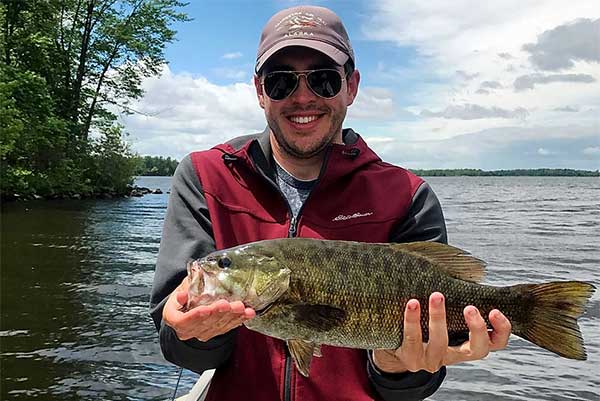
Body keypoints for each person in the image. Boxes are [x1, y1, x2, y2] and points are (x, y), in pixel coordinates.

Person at [150, 5, 512, 401]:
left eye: (323, 80)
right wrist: (194, 332)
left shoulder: (408, 196)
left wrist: (395, 365)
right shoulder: (205, 176)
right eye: (280, 82)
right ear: (259, 91)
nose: (302, 97)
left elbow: (409, 388)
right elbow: (180, 349)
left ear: (351, 86)